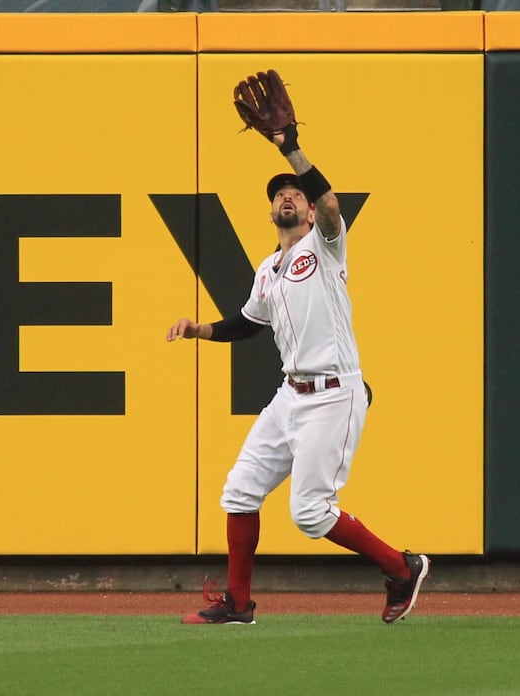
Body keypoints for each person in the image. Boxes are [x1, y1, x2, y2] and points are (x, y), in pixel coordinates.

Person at [166, 117, 429, 625]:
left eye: (294, 193)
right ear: (270, 210)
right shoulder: (268, 269)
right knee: (239, 491)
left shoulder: (325, 247)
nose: (286, 197)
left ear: (308, 209)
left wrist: (291, 149)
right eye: (279, 194)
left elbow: (331, 205)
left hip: (333, 392)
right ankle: (238, 604)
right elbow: (248, 322)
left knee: (310, 513)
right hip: (290, 395)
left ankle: (402, 567)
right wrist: (200, 329)